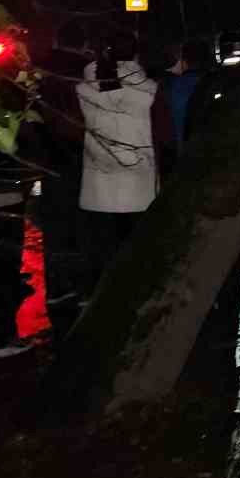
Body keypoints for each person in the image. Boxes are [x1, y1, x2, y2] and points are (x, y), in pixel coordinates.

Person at [76, 36, 159, 294]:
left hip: (100, 182)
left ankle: (100, 292)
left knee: (103, 245)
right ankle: (134, 290)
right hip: (139, 180)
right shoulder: (150, 91)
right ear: (136, 56)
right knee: (136, 245)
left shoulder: (86, 89)